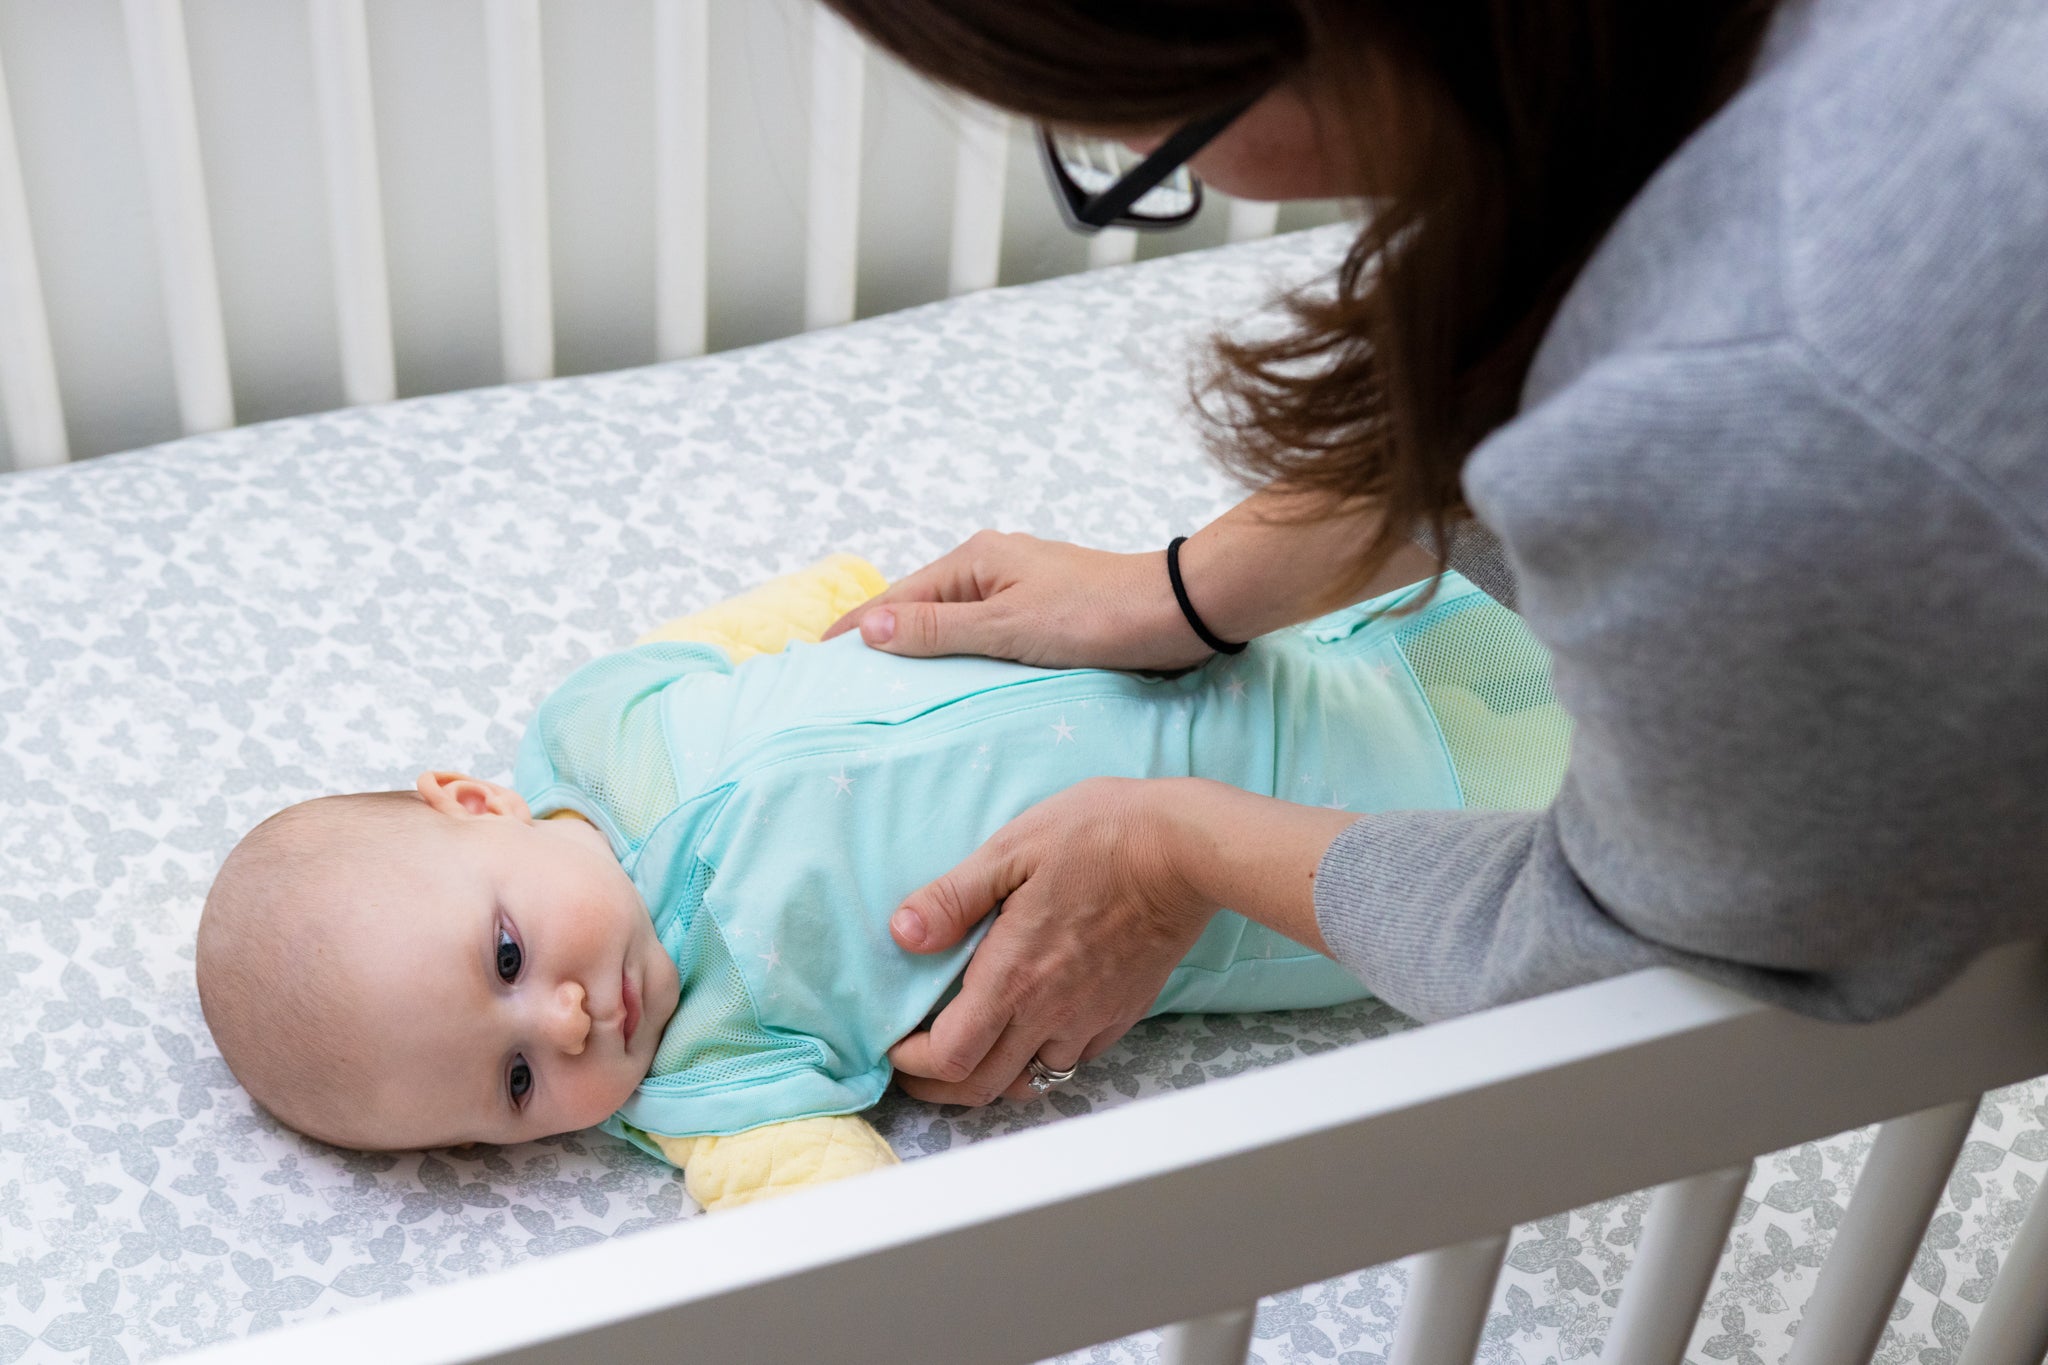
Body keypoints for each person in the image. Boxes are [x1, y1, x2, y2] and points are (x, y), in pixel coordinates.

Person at [811, 0, 2048, 1109]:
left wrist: (1167, 846)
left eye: (1138, 128)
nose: (1137, 158)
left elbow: (1621, 958)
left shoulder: (1756, 415)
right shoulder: (1644, 95)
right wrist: (1185, 589)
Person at [194, 554, 1553, 1204]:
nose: (561, 1023)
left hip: (1306, 635)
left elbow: (793, 621)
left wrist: (893, 602)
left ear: (477, 799)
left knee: (1556, 596)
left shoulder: (595, 721)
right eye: (513, 1086)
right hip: (1338, 862)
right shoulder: (714, 1085)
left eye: (502, 958)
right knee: (1601, 858)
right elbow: (842, 1225)